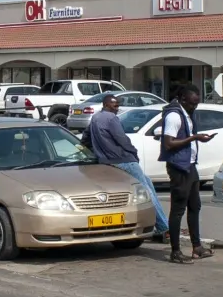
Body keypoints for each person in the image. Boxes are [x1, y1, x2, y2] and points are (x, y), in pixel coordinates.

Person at [87, 90, 168, 241]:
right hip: (124, 160)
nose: (116, 108)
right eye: (114, 105)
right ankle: (164, 228)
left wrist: (90, 152)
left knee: (146, 183)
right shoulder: (111, 118)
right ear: (106, 105)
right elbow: (121, 139)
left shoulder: (95, 118)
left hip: (106, 161)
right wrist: (133, 152)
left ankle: (159, 226)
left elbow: (86, 137)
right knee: (147, 191)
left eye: (117, 105)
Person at [159, 84, 213, 262]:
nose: (194, 107)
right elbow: (169, 143)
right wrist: (195, 138)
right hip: (179, 167)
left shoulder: (186, 113)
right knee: (178, 209)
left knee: (195, 206)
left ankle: (197, 247)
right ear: (183, 100)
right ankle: (175, 251)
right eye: (192, 104)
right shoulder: (174, 115)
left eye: (196, 104)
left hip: (190, 166)